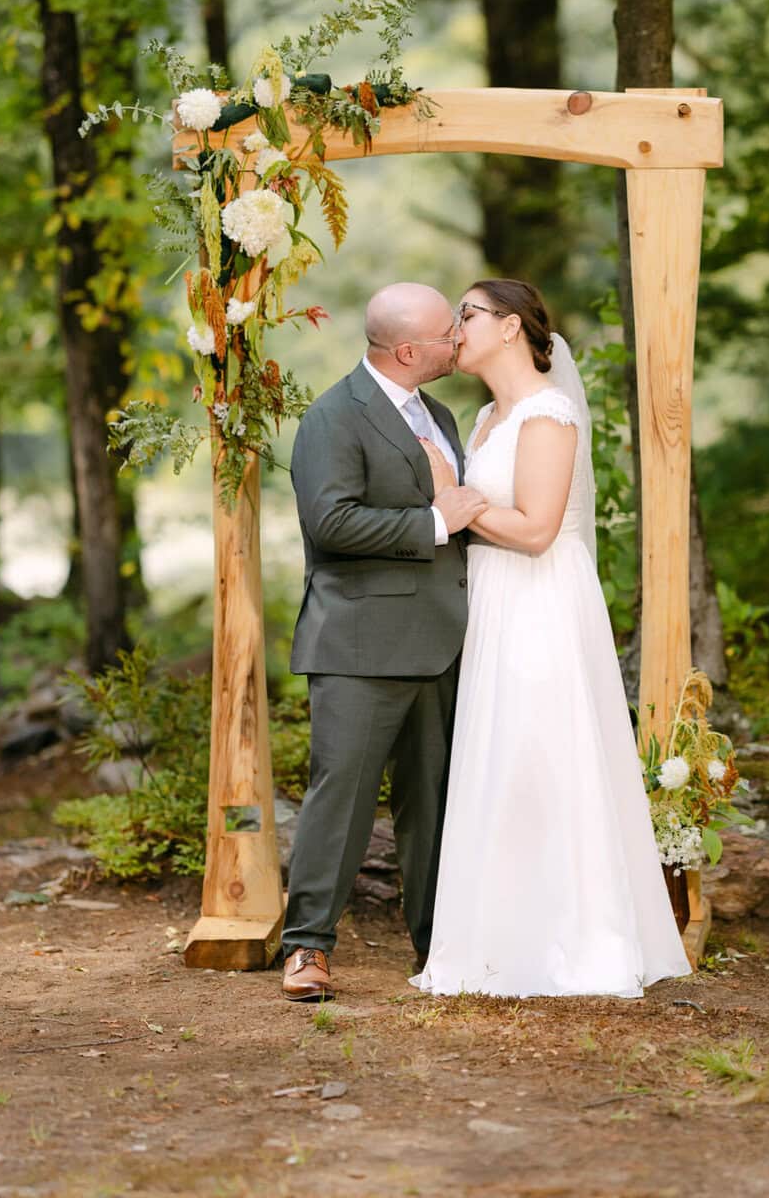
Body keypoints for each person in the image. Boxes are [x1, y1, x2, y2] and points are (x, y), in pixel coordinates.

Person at [410, 279, 691, 998]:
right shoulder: (483, 420)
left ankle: (575, 941)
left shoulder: (548, 413)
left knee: (541, 756)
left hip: (539, 603)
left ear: (510, 327)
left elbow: (536, 530)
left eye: (467, 314)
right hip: (491, 602)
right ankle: (500, 939)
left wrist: (452, 500)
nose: (455, 327)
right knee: (498, 761)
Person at [278, 282, 489, 1002]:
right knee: (341, 797)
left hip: (443, 640)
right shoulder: (333, 417)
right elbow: (330, 523)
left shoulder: (441, 414)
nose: (456, 340)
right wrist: (435, 521)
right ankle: (306, 947)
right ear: (405, 351)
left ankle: (438, 948)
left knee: (433, 802)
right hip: (360, 645)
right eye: (445, 334)